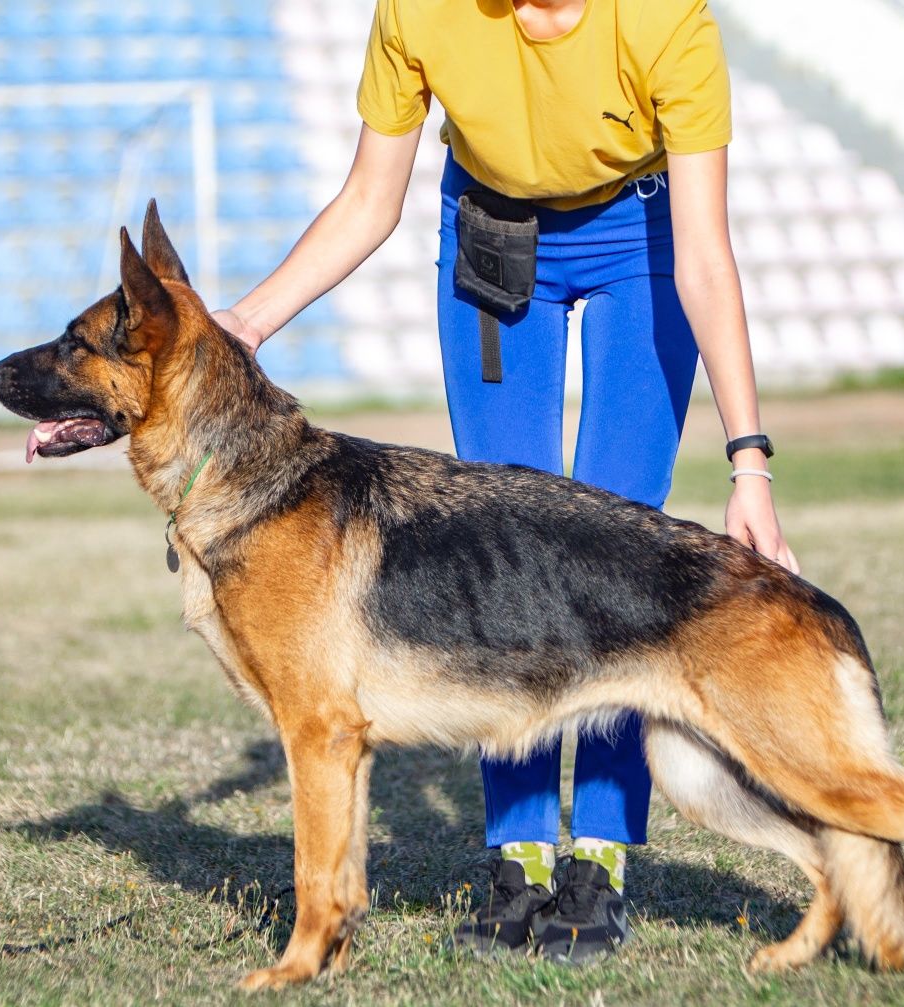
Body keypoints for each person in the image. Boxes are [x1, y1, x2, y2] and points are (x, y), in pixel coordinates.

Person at [213, 0, 799, 964]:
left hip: (639, 249)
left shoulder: (666, 19)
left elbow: (704, 255)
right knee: (496, 570)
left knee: (619, 566)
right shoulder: (419, 9)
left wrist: (750, 460)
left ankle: (600, 862)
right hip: (490, 240)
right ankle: (519, 862)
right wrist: (252, 319)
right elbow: (370, 198)